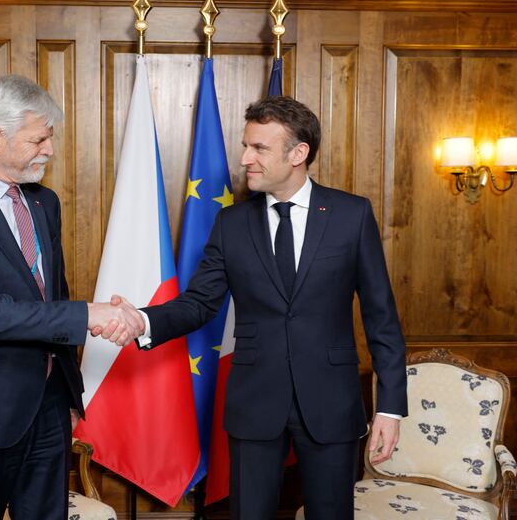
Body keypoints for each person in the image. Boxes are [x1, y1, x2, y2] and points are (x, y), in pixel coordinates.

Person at [123, 96, 407, 519]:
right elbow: (199, 304)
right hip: (255, 402)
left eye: (259, 148)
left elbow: (381, 317)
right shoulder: (231, 224)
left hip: (331, 402)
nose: (244, 159)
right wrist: (141, 320)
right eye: (245, 146)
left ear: (298, 153)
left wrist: (389, 407)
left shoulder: (352, 215)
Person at [0, 74, 141, 520]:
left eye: (49, 138)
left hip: (48, 409)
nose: (49, 150)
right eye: (39, 139)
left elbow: (53, 292)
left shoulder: (42, 202)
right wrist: (88, 315)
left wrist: (68, 398)